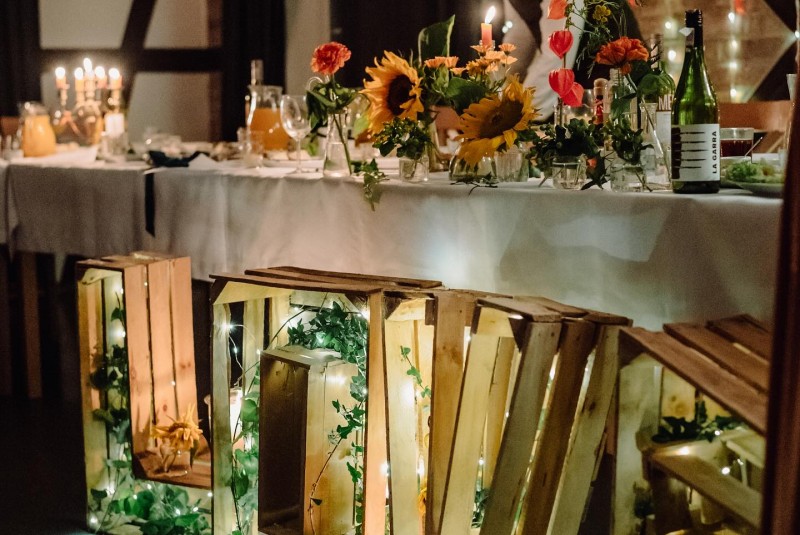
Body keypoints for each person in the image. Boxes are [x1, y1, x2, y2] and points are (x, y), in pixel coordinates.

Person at [504, 0, 643, 118]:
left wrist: (517, 113)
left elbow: (557, 55)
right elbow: (521, 33)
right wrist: (501, 85)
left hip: (617, 91)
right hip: (581, 92)